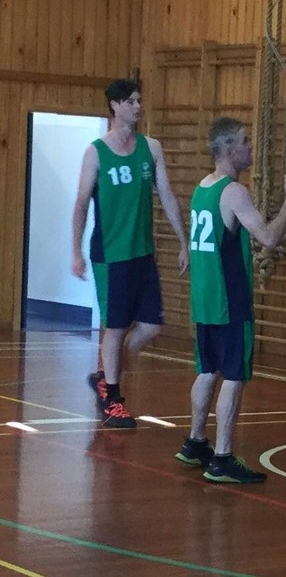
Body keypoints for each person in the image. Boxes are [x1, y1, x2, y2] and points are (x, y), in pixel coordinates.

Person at [175, 117, 286, 483]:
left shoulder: (203, 187)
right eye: (245, 141)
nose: (251, 147)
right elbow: (268, 238)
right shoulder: (233, 191)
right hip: (229, 299)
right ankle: (222, 457)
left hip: (204, 298)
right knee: (233, 374)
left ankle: (195, 442)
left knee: (207, 370)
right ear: (229, 148)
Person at [71, 79, 189, 428]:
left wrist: (183, 241)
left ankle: (105, 375)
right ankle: (113, 399)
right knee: (117, 327)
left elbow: (166, 195)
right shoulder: (96, 152)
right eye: (131, 101)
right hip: (111, 254)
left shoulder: (151, 148)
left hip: (143, 252)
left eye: (140, 100)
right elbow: (81, 204)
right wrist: (75, 252)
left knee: (151, 325)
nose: (138, 106)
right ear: (115, 106)